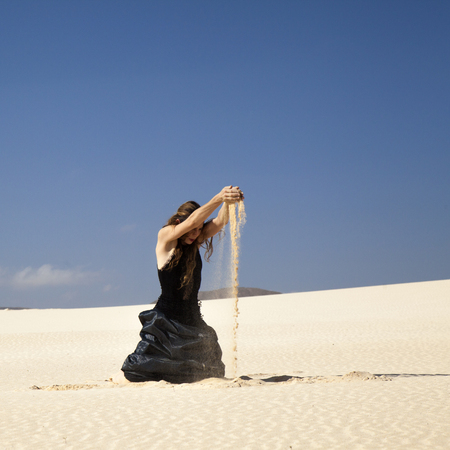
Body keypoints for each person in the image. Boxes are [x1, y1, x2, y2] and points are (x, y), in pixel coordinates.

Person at [120, 185, 244, 383]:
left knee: (210, 369)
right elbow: (194, 220)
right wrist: (219, 197)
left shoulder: (195, 240)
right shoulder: (166, 237)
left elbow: (220, 221)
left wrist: (229, 201)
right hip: (165, 322)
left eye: (199, 230)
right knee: (140, 371)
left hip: (192, 319)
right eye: (192, 229)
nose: (196, 233)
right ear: (179, 223)